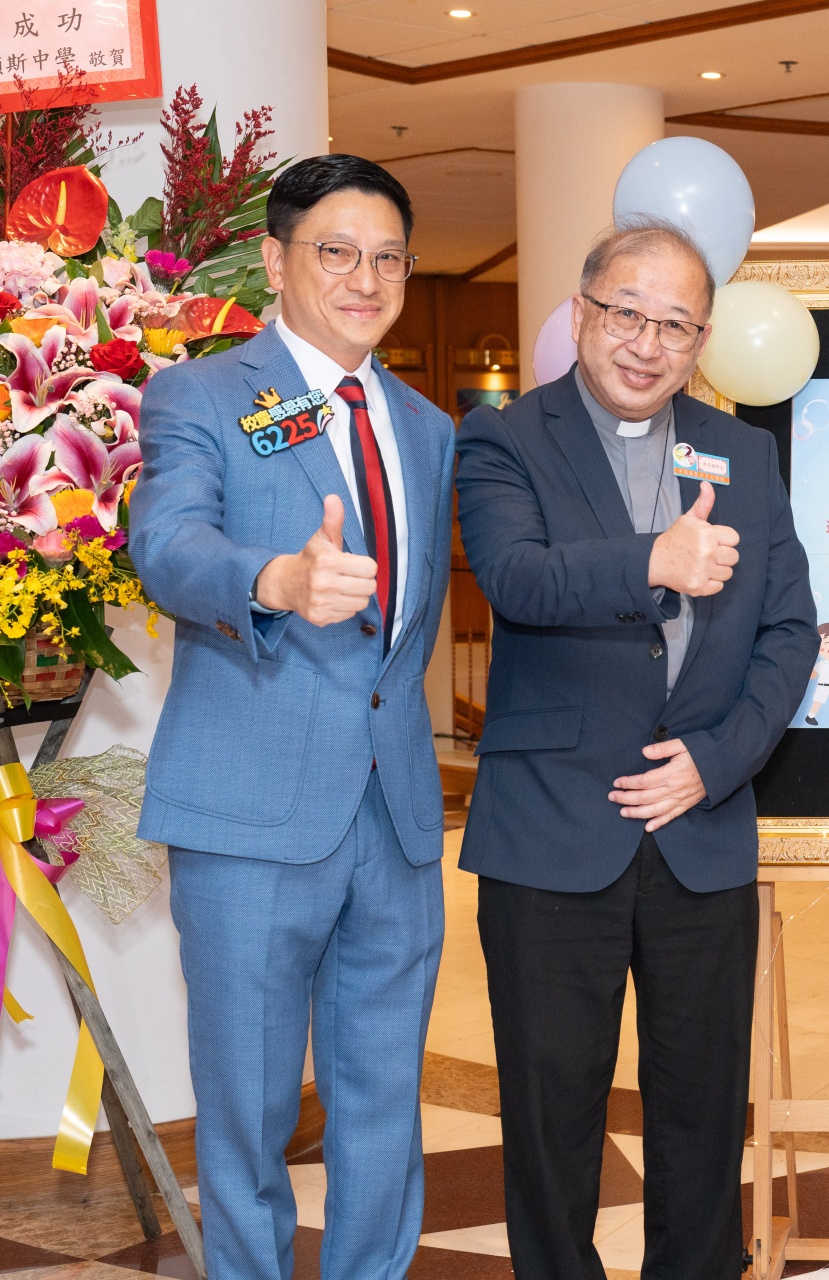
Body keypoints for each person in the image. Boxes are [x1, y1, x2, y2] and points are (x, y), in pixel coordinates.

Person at [453, 221, 816, 1280]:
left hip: (703, 826)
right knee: (551, 1109)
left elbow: (790, 631)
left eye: (676, 325)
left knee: (703, 1108)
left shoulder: (744, 451)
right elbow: (516, 577)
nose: (647, 344)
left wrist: (719, 758)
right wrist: (655, 558)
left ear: (702, 339)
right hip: (551, 829)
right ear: (581, 313)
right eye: (626, 314)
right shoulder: (505, 439)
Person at [131, 155, 453, 1278]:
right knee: (250, 1110)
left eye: (388, 258)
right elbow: (167, 543)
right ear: (275, 260)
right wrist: (274, 578)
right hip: (249, 816)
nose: (366, 279)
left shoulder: (426, 425)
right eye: (337, 252)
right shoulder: (203, 394)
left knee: (382, 1106)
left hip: (397, 819)